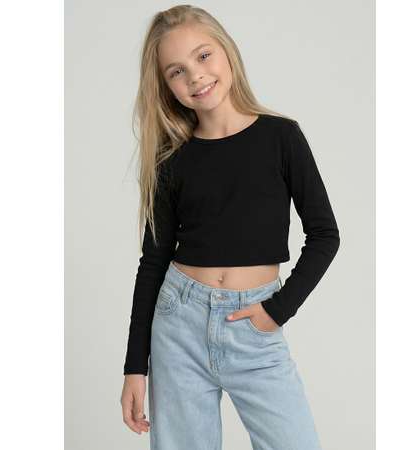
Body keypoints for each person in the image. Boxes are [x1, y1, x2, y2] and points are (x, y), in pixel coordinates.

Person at [120, 5, 340, 450]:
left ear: (227, 51)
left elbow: (324, 235)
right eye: (176, 71)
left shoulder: (281, 137)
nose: (195, 76)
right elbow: (154, 260)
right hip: (179, 326)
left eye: (203, 56)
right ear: (165, 85)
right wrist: (134, 367)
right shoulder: (172, 157)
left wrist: (277, 310)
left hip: (254, 324)